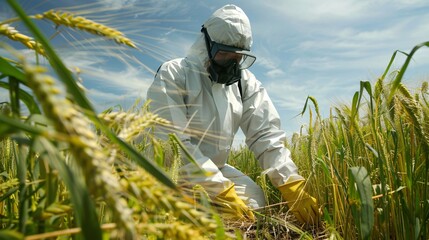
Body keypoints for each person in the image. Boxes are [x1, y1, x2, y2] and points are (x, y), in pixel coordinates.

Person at [147, 4, 319, 224]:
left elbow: (265, 134)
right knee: (189, 219)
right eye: (224, 55)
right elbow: (173, 144)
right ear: (206, 44)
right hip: (171, 173)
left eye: (237, 58)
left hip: (217, 169)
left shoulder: (245, 83)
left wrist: (290, 183)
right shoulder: (175, 74)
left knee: (256, 205)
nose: (231, 64)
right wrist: (220, 192)